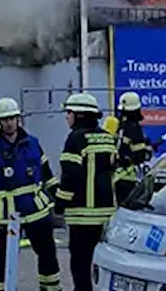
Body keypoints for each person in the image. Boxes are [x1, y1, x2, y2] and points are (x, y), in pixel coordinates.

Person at [0, 97, 62, 291]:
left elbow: (46, 173)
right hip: (6, 218)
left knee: (47, 254)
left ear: (18, 119)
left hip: (37, 212)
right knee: (3, 262)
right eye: (4, 119)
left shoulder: (34, 144)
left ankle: (51, 289)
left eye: (12, 118)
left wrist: (58, 197)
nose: (9, 123)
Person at [53, 93, 116, 291]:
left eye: (69, 112)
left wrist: (60, 204)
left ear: (79, 115)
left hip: (82, 216)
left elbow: (70, 176)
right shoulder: (107, 137)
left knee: (80, 265)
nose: (67, 117)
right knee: (102, 264)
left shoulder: (75, 139)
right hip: (106, 215)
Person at [105, 92, 153, 205]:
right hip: (126, 178)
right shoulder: (134, 128)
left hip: (112, 176)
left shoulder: (117, 125)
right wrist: (148, 150)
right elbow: (140, 157)